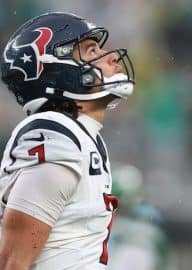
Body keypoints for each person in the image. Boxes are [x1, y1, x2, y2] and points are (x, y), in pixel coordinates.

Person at [0, 12, 135, 270]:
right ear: (57, 68)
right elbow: (12, 263)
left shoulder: (83, 135)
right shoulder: (57, 134)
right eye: (91, 49)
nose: (111, 56)